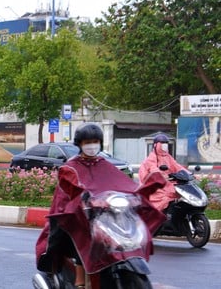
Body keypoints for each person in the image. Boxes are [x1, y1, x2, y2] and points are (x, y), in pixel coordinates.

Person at [34, 123, 165, 288]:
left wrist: (138, 193)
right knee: (80, 235)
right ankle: (80, 282)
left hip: (103, 216)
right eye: (87, 142)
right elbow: (68, 191)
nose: (91, 146)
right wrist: (82, 198)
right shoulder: (70, 167)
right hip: (78, 216)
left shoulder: (104, 164)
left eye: (95, 141)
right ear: (80, 144)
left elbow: (124, 184)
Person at [138, 133, 187, 212]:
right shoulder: (152, 157)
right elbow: (153, 169)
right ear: (156, 145)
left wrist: (187, 173)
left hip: (167, 183)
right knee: (163, 197)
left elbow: (176, 166)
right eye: (162, 143)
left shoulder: (168, 157)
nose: (165, 145)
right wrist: (160, 175)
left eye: (166, 143)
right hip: (155, 185)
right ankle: (157, 216)